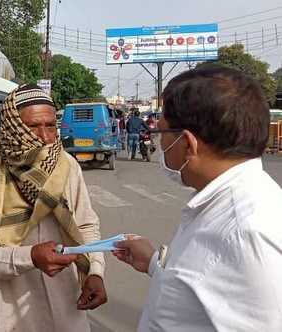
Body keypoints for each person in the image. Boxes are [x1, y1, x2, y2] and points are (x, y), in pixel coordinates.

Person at [114, 64, 282, 331]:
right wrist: (154, 265)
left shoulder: (247, 234)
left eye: (162, 133)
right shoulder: (218, 204)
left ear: (187, 143)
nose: (160, 146)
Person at [0, 85, 107, 332]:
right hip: (8, 314)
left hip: (66, 309)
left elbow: (86, 224)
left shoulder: (67, 166)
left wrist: (94, 272)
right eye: (33, 127)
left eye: (50, 125)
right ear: (13, 127)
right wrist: (30, 257)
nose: (45, 137)